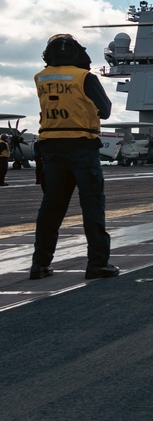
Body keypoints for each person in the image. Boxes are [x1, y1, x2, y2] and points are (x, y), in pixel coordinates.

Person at [30, 34, 118, 280]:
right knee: (92, 204)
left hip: (51, 148)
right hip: (82, 146)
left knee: (51, 207)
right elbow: (107, 111)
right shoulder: (84, 77)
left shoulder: (41, 78)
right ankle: (97, 263)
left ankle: (39, 265)